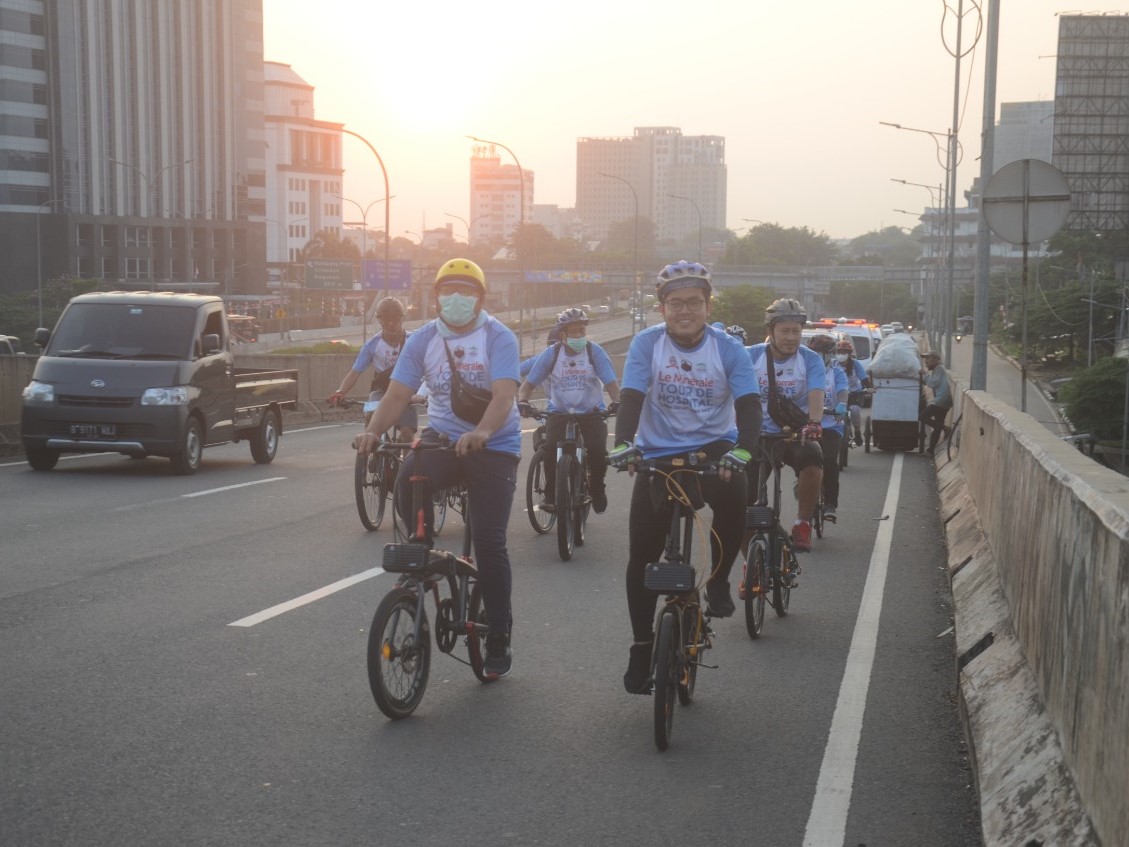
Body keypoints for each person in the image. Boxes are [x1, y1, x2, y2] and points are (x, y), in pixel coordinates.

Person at [353, 259, 521, 678]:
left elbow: (503, 397)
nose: (456, 299)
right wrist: (373, 433)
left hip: (494, 444)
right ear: (435, 297)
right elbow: (396, 395)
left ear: (481, 298)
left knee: (489, 541)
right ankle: (427, 556)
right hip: (444, 439)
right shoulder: (424, 339)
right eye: (448, 291)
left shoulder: (498, 337)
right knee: (410, 475)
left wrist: (482, 432)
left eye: (466, 291)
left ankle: (498, 633)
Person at [608, 260, 761, 694]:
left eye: (694, 302)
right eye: (675, 303)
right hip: (658, 450)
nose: (685, 311)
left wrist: (743, 450)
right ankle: (641, 646)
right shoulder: (647, 344)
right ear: (662, 308)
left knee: (736, 497)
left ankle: (717, 582)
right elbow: (633, 396)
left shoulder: (727, 348)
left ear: (708, 306)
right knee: (642, 555)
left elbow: (749, 404)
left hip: (715, 444)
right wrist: (624, 444)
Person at [517, 307, 621, 514]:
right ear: (562, 334)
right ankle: (550, 495)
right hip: (559, 411)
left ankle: (597, 488)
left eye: (582, 330)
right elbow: (528, 385)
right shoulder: (552, 354)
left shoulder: (595, 352)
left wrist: (617, 402)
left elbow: (611, 382)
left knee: (597, 451)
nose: (579, 335)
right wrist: (523, 401)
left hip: (591, 411)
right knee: (549, 449)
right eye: (574, 331)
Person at [746, 299, 826, 553]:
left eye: (796, 331)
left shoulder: (810, 359)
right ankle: (750, 562)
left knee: (814, 458)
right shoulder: (751, 355)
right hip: (755, 434)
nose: (791, 337)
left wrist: (814, 423)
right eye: (785, 331)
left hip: (792, 434)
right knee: (740, 500)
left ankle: (802, 523)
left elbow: (816, 391)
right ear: (771, 331)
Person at [327, 296, 419, 439]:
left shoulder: (413, 341)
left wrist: (425, 393)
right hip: (380, 391)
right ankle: (372, 454)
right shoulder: (372, 345)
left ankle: (404, 459)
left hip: (406, 394)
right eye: (386, 321)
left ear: (402, 320)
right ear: (379, 321)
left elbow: (427, 367)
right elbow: (355, 372)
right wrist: (340, 392)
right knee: (370, 414)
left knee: (407, 434)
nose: (391, 324)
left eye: (395, 320)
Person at [807, 333, 848, 523]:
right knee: (804, 460)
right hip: (808, 424)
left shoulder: (836, 371)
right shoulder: (803, 370)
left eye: (822, 353)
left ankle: (830, 503)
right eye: (814, 352)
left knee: (830, 460)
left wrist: (841, 405)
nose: (818, 356)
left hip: (831, 425)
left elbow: (842, 391)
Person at [835, 338, 871, 446]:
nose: (841, 354)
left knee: (855, 410)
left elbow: (864, 379)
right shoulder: (833, 363)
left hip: (855, 394)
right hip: (838, 394)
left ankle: (857, 431)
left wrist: (869, 389)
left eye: (844, 352)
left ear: (849, 354)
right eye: (839, 352)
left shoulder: (855, 364)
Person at [921, 350, 953, 457]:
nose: (926, 362)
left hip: (941, 400)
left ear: (935, 360)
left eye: (928, 359)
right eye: (925, 359)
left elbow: (933, 383)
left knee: (923, 417)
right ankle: (931, 450)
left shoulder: (939, 369)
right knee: (937, 425)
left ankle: (945, 428)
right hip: (945, 400)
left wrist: (925, 374)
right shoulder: (936, 370)